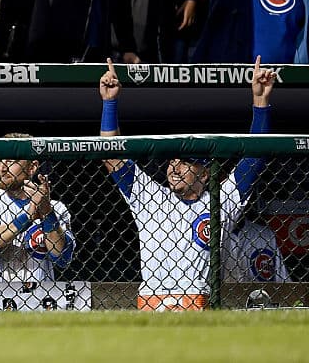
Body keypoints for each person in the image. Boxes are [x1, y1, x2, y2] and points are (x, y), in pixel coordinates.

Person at [99, 57, 272, 311]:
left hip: (200, 303)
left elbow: (256, 156)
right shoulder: (151, 196)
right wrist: (109, 103)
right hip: (153, 303)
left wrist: (260, 101)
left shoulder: (221, 200)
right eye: (172, 161)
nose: (175, 167)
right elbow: (111, 155)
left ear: (204, 174)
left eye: (186, 163)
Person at [0, 145, 75, 282]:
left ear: (32, 167)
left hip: (39, 293)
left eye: (10, 161)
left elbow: (62, 256)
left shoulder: (56, 208)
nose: (2, 168)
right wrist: (27, 218)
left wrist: (47, 212)